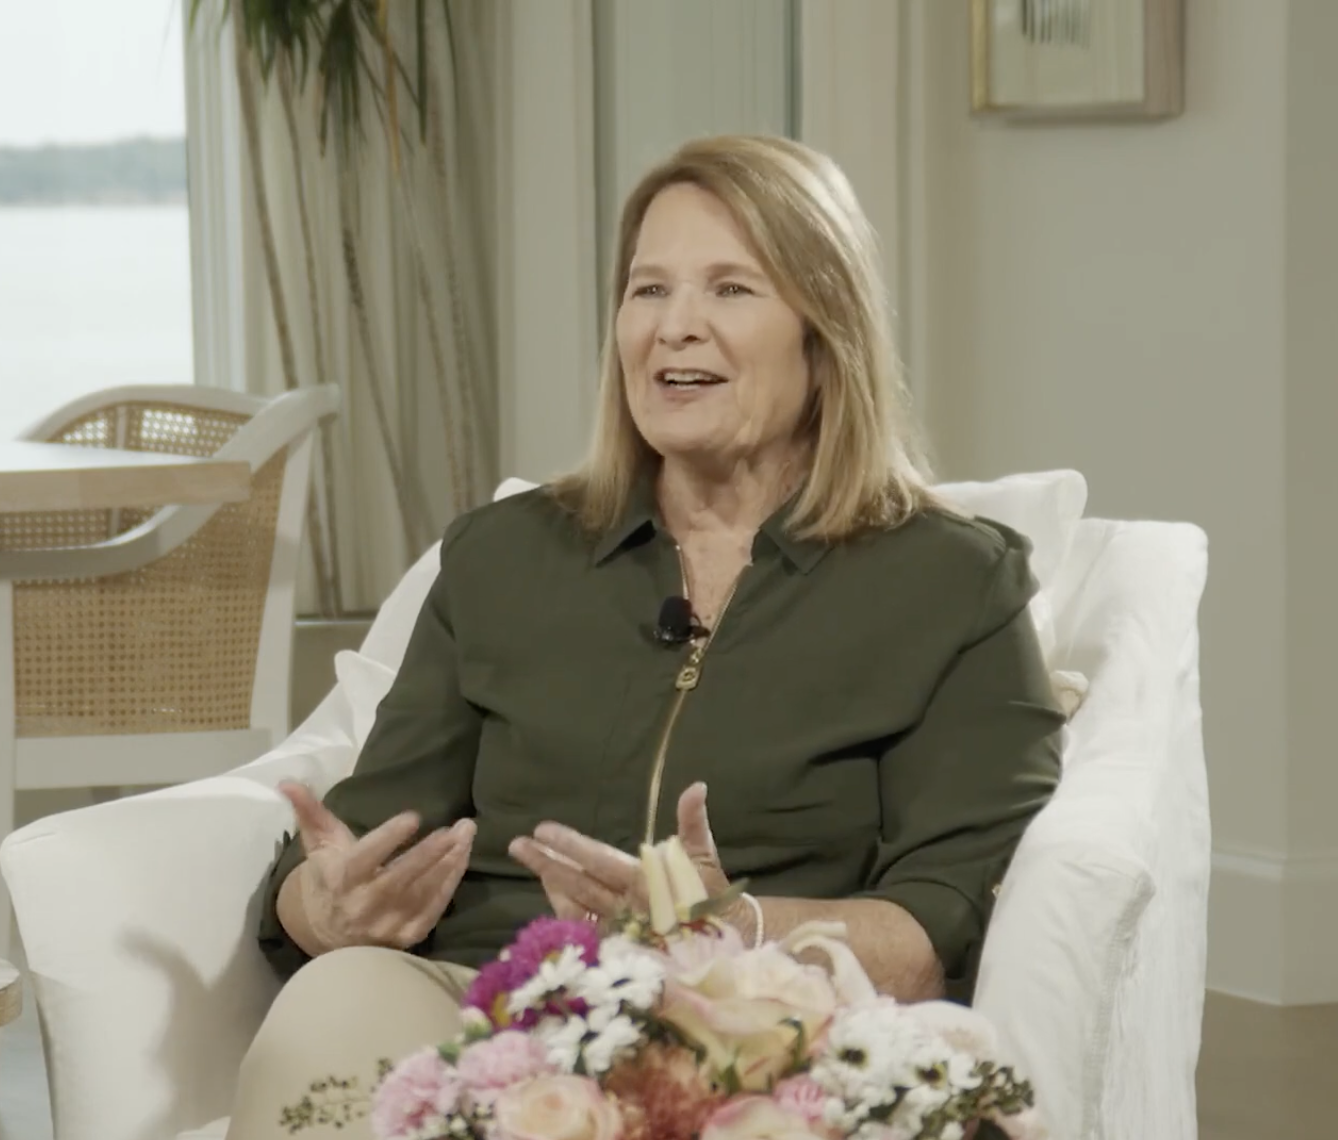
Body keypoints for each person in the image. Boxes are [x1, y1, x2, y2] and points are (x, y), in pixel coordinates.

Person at [222, 134, 1065, 1140]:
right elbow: (368, 839)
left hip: (757, 1023)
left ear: (824, 329)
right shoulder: (503, 556)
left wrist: (728, 925)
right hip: (486, 999)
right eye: (647, 290)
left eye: (731, 290)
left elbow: (937, 920)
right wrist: (323, 908)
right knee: (329, 1009)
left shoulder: (953, 583)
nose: (675, 329)